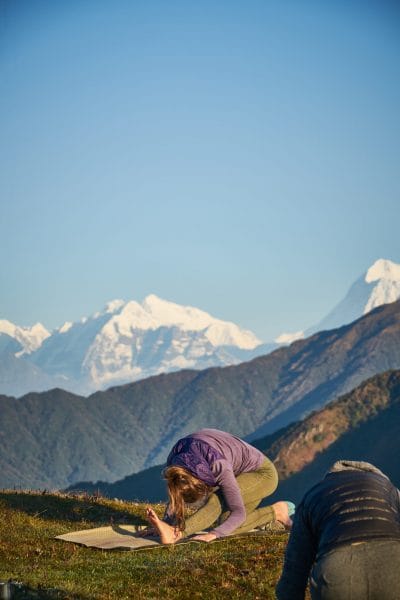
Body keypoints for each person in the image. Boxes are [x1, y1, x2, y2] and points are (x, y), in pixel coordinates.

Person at [144, 428, 294, 544]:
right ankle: (274, 516)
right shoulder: (177, 464)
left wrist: (213, 534)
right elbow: (178, 493)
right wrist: (165, 523)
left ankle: (278, 511)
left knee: (217, 503)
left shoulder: (217, 466)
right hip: (236, 473)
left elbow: (238, 513)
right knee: (226, 523)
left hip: (262, 475)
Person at [276, 460, 400, 600]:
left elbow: (294, 571)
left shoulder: (312, 496)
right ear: (377, 475)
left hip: (338, 571)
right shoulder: (390, 490)